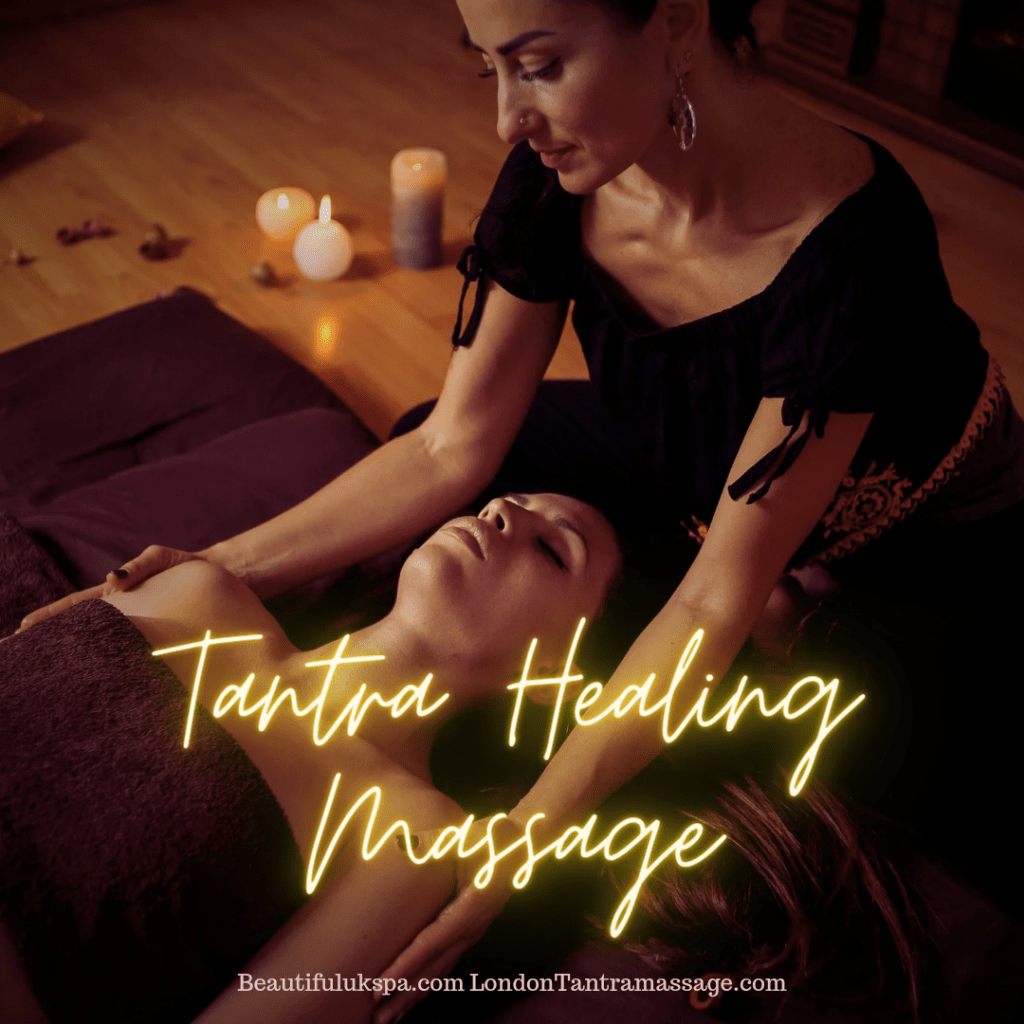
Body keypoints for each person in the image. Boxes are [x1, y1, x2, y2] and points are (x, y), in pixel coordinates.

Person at [20, 0, 1024, 1019]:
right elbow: (451, 446)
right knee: (441, 431)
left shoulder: (850, 248)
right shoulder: (562, 175)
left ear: (678, 21)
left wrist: (524, 834)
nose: (508, 117)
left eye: (538, 65)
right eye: (488, 67)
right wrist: (212, 565)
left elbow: (713, 596)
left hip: (909, 545)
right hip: (691, 466)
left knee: (828, 738)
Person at [0, 493, 621, 1024]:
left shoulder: (411, 839)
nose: (503, 510)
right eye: (509, 497)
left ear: (553, 674)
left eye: (552, 549)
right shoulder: (198, 590)